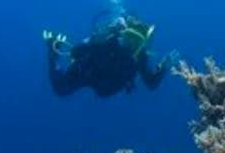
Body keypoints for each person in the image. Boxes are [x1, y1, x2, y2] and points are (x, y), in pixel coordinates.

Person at [43, 15, 176, 98]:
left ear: (142, 44)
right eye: (129, 37)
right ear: (123, 33)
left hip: (107, 88)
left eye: (135, 41)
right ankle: (52, 50)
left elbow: (151, 83)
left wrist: (163, 67)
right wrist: (97, 39)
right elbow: (75, 52)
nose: (130, 44)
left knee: (63, 89)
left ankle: (53, 51)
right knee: (60, 89)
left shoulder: (139, 56)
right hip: (89, 72)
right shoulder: (109, 38)